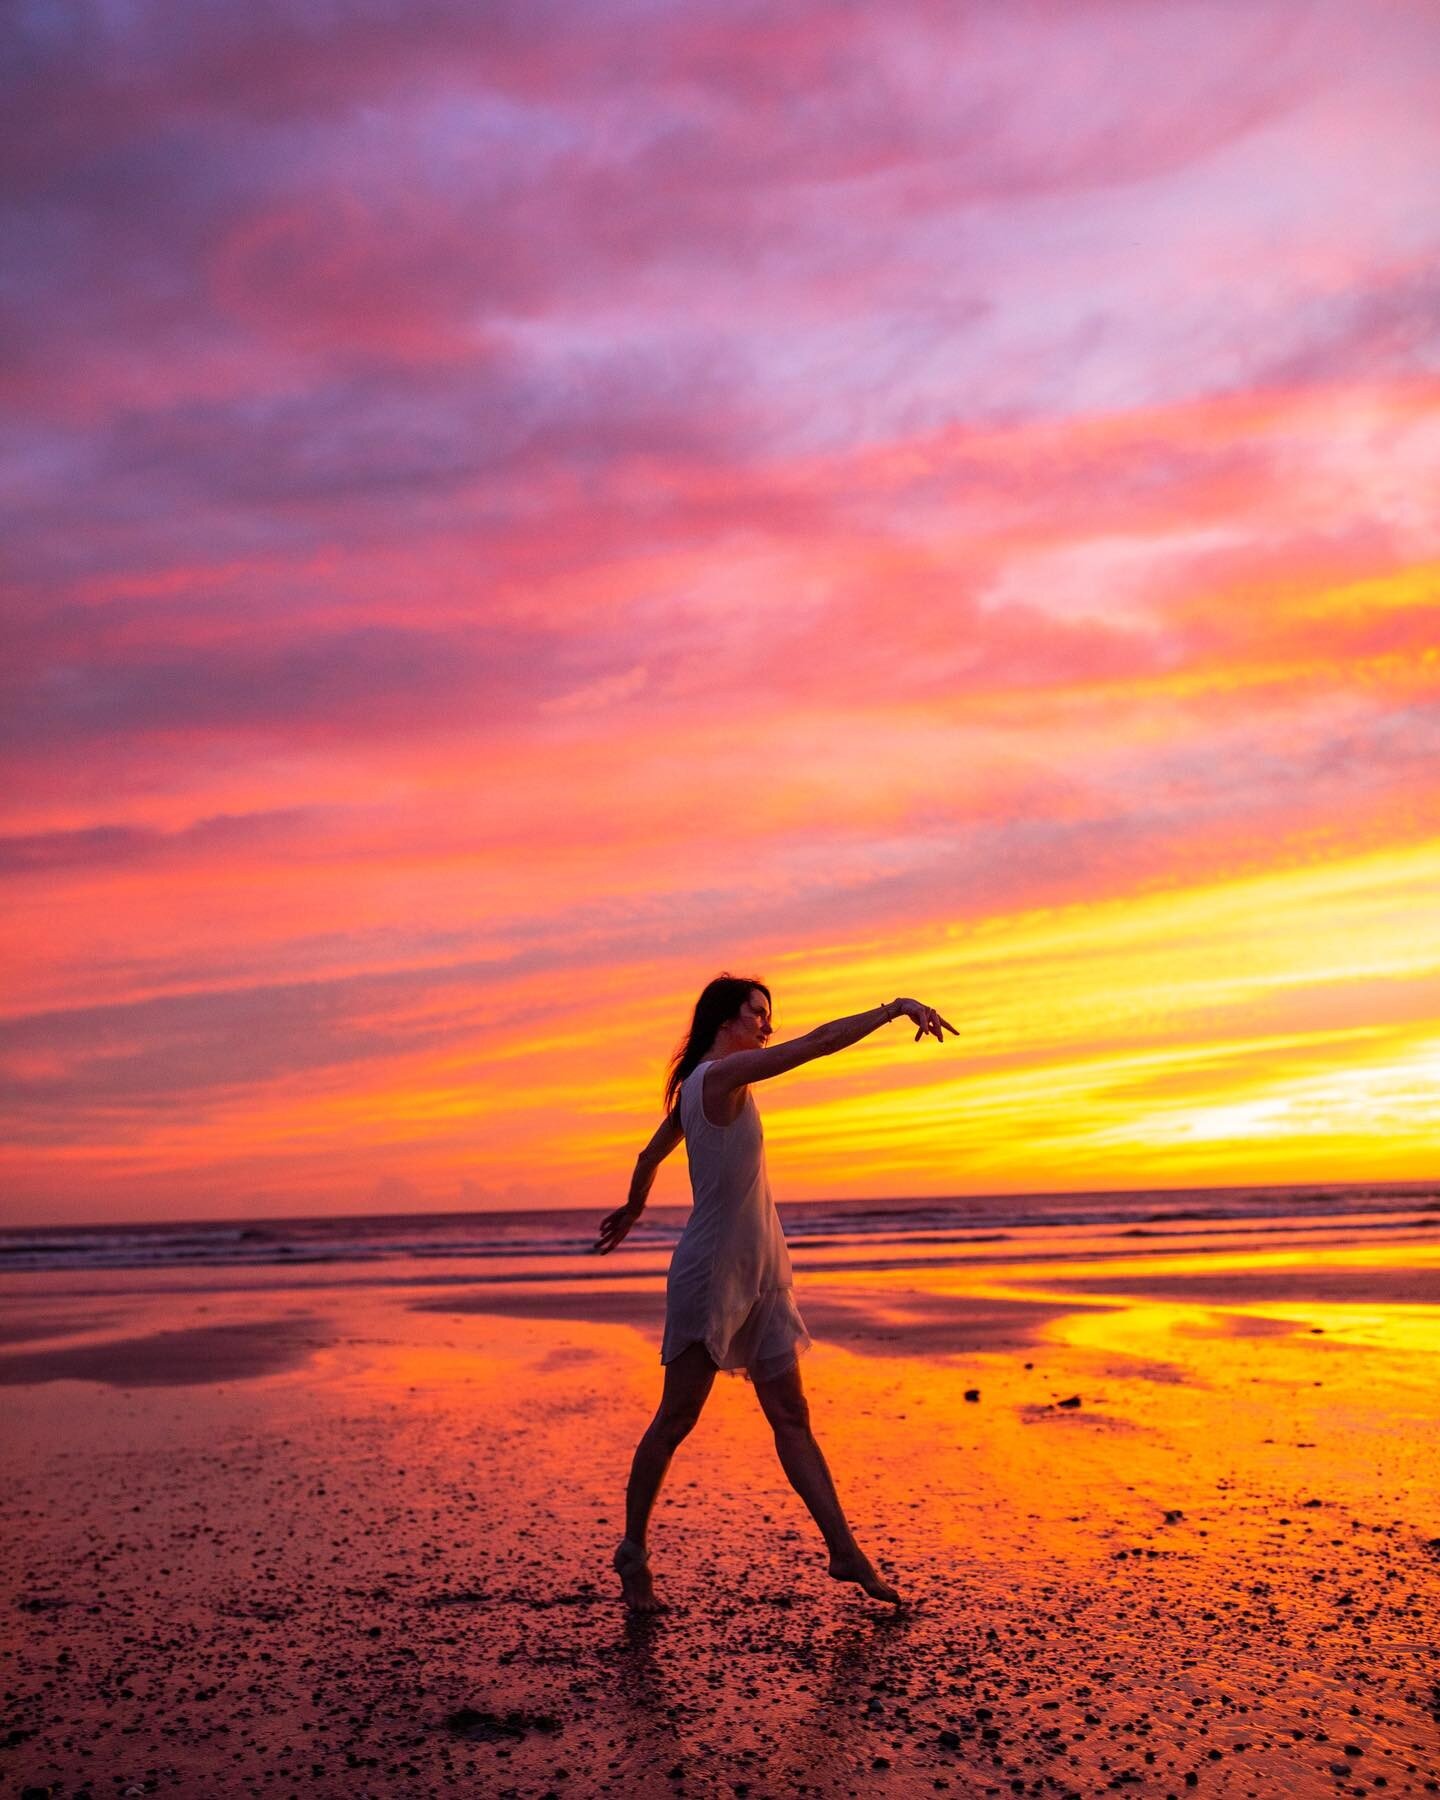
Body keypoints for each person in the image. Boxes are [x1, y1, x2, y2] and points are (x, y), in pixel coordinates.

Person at [592, 974, 957, 1613]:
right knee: (676, 1419)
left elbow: (650, 1155)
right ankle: (633, 1553)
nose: (768, 1026)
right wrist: (895, 1007)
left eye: (769, 1016)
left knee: (791, 1417)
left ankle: (842, 1549)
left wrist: (634, 1205)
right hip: (711, 1277)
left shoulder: (703, 1089)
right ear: (726, 1018)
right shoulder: (717, 1079)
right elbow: (815, 1045)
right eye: (759, 1014)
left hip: (762, 1275)